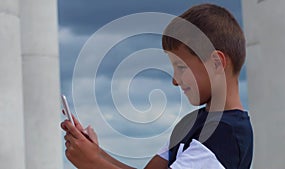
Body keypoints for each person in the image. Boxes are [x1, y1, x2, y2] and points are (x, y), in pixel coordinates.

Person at [61, 3, 253, 169]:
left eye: (181, 67)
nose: (175, 80)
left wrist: (92, 162)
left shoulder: (226, 134)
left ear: (217, 63)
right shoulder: (191, 123)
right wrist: (95, 153)